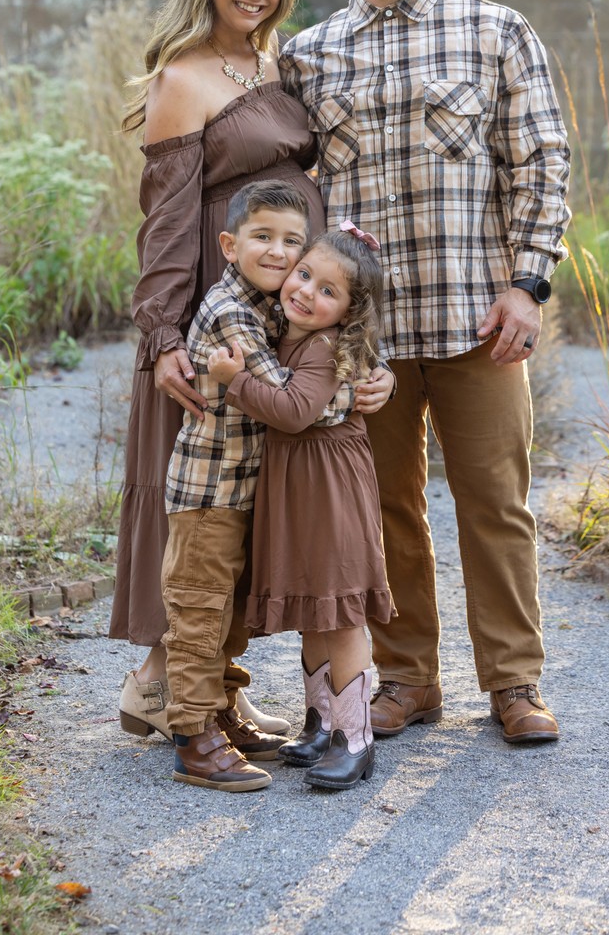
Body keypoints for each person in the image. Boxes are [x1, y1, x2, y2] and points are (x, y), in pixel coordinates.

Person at [279, 0, 572, 745]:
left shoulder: (496, 32)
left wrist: (528, 287)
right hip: (364, 337)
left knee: (496, 501)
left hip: (479, 322)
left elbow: (544, 164)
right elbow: (293, 197)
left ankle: (514, 684)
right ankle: (406, 678)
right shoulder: (308, 55)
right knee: (385, 509)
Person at [109, 0, 327, 742]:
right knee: (194, 499)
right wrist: (163, 336)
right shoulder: (184, 76)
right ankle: (161, 684)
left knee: (240, 496)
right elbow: (165, 222)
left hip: (268, 310)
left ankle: (215, 682)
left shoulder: (274, 63)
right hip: (209, 313)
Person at [162, 180, 354, 792]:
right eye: (262, 237)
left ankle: (222, 712)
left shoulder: (273, 306)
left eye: (291, 242)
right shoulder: (232, 313)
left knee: (230, 616)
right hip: (210, 492)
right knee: (199, 613)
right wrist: (357, 394)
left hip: (245, 494)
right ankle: (194, 737)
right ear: (229, 244)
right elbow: (290, 402)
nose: (277, 252)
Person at [209, 223, 393, 791]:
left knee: (338, 612)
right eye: (305, 274)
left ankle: (354, 738)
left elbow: (292, 411)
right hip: (301, 483)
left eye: (328, 291)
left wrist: (234, 380)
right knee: (316, 607)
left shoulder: (322, 346)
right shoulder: (286, 334)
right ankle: (320, 721)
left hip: (329, 486)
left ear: (349, 312)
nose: (308, 291)